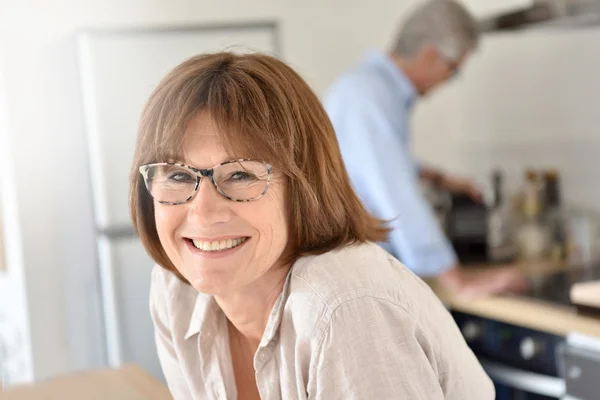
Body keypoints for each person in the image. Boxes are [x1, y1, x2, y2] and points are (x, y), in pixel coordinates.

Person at [129, 52, 495, 399]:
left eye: (240, 174)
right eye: (177, 175)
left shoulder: (346, 311)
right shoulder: (176, 290)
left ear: (304, 187)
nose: (203, 212)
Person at [324, 0, 528, 297]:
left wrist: (438, 178)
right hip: (355, 282)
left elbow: (380, 161)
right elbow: (394, 190)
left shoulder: (368, 88)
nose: (448, 80)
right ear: (431, 55)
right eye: (453, 70)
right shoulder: (368, 96)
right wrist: (456, 279)